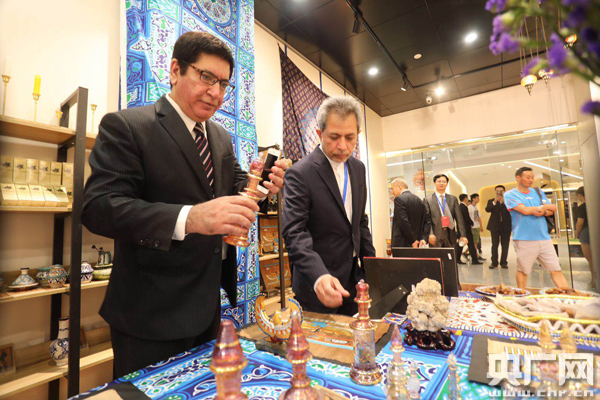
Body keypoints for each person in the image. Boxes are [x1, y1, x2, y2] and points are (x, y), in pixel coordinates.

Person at [82, 32, 287, 378]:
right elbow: (99, 208)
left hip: (206, 306)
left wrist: (262, 184)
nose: (216, 93)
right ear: (176, 70)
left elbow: (235, 184)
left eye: (223, 84)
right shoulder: (129, 126)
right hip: (149, 315)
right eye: (206, 77)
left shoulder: (218, 135)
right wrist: (190, 218)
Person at [282, 96, 376, 316]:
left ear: (358, 134)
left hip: (354, 282)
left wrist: (373, 269)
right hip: (317, 285)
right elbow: (294, 232)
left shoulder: (358, 168)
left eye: (350, 138)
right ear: (319, 133)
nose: (342, 146)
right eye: (334, 137)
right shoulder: (300, 173)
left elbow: (360, 222)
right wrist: (319, 276)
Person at [504, 167, 569, 289]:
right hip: (524, 239)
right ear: (518, 178)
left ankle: (568, 294)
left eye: (532, 177)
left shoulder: (537, 192)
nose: (531, 180)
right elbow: (524, 210)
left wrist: (543, 212)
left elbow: (552, 209)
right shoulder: (510, 194)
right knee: (523, 271)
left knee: (556, 269)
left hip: (544, 238)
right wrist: (543, 207)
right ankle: (521, 295)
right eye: (528, 177)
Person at [423, 174, 468, 264]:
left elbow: (459, 218)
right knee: (436, 262)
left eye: (444, 181)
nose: (441, 183)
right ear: (434, 183)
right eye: (439, 181)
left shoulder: (453, 199)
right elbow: (427, 219)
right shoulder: (428, 199)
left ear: (447, 184)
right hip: (435, 235)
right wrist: (430, 234)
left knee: (451, 261)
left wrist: (463, 235)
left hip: (450, 234)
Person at [390, 178, 431, 248]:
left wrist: (413, 240)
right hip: (418, 244)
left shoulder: (399, 199)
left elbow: (403, 221)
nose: (392, 192)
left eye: (393, 188)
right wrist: (424, 238)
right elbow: (427, 221)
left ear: (399, 187)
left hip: (403, 244)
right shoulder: (419, 200)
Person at [486, 185, 512, 269]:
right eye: (497, 191)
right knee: (494, 244)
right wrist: (494, 202)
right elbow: (487, 209)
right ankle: (494, 262)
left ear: (504, 191)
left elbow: (513, 210)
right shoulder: (491, 201)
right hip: (494, 226)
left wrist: (505, 202)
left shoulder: (509, 201)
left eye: (501, 191)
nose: (499, 192)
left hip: (506, 226)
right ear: (495, 191)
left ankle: (504, 262)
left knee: (505, 245)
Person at [575, 187, 594, 288]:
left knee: (590, 259)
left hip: (586, 232)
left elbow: (580, 223)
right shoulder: (595, 204)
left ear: (580, 195)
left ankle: (594, 280)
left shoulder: (582, 207)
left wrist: (577, 233)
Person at [459, 194, 482, 265]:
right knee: (471, 244)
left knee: (463, 244)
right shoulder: (465, 207)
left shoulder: (460, 207)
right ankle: (474, 259)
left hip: (463, 228)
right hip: (466, 228)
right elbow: (467, 217)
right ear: (465, 199)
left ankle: (458, 258)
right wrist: (471, 223)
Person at [469, 193, 486, 262]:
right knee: (474, 242)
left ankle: (473, 254)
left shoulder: (475, 207)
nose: (478, 199)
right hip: (473, 227)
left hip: (476, 226)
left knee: (475, 242)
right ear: (473, 199)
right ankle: (476, 255)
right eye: (477, 198)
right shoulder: (470, 207)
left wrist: (481, 226)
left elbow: (479, 218)